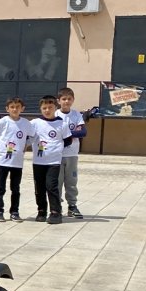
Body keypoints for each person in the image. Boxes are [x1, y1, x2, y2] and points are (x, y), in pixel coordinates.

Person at [0, 97, 34, 222]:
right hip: (3, 161)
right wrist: (3, 141)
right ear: (7, 109)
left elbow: (34, 136)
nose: (15, 109)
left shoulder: (25, 123)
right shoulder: (3, 121)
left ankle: (14, 211)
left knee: (15, 188)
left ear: (22, 109)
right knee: (0, 187)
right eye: (12, 107)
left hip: (17, 162)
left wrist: (25, 144)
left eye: (17, 107)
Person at [31, 95, 73, 224]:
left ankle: (55, 212)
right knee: (39, 187)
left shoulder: (62, 124)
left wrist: (55, 150)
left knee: (52, 186)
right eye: (44, 108)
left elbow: (68, 140)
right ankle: (41, 211)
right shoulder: (34, 123)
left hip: (53, 162)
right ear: (40, 109)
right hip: (38, 161)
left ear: (56, 107)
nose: (47, 110)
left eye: (50, 107)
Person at [56, 87, 87, 218]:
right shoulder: (55, 115)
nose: (66, 101)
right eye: (64, 99)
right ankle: (56, 206)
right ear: (59, 101)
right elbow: (55, 134)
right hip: (57, 154)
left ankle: (72, 206)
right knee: (57, 182)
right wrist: (71, 133)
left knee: (71, 181)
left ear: (73, 100)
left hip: (72, 154)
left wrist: (66, 134)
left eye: (69, 99)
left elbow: (82, 132)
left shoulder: (76, 115)